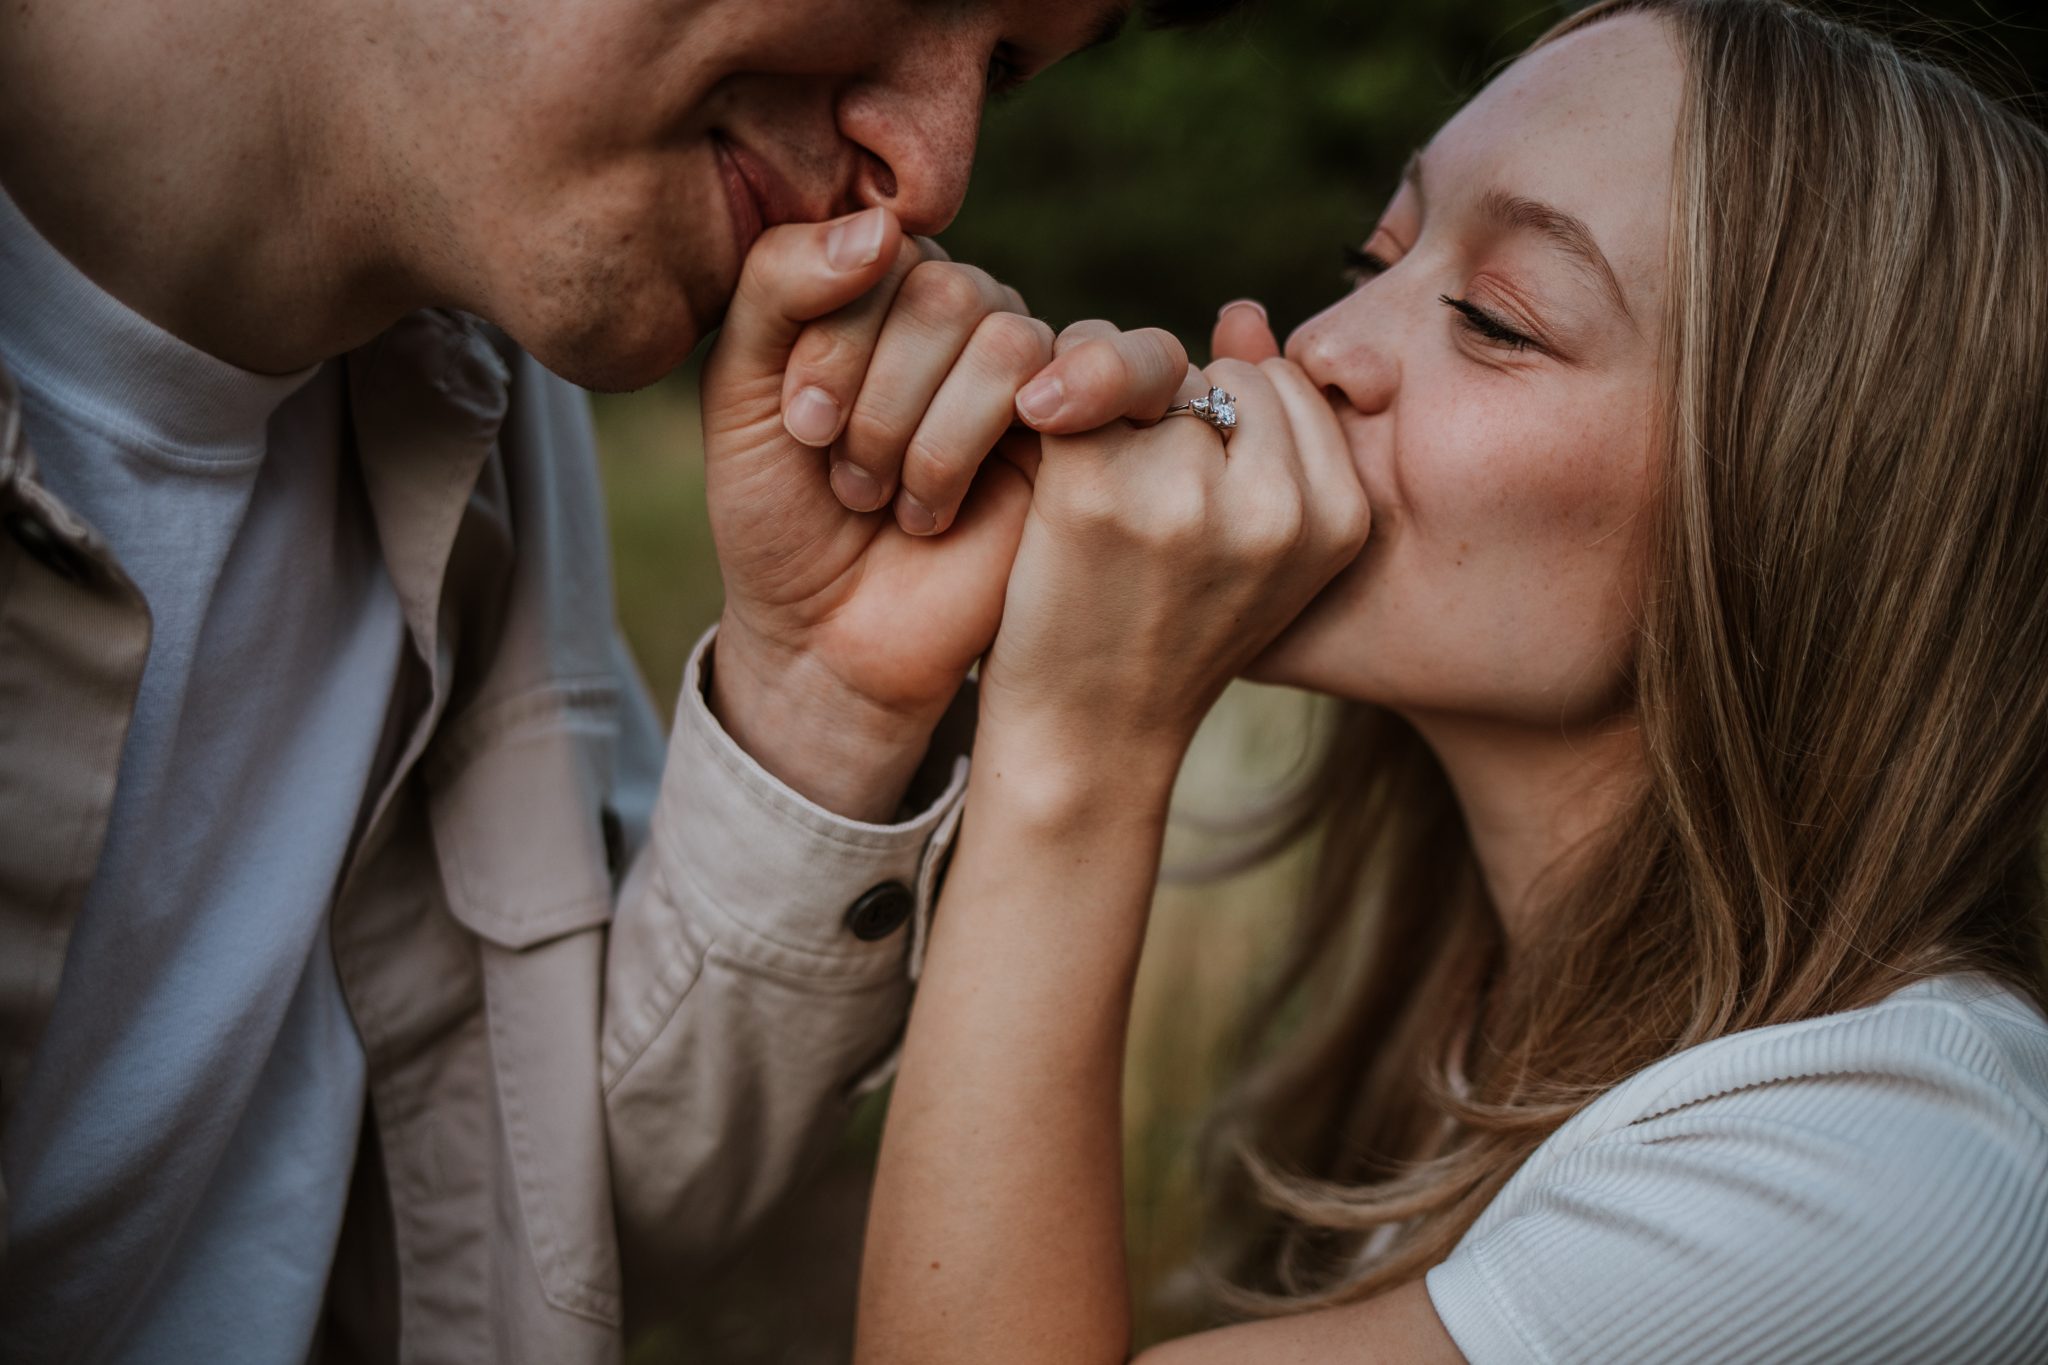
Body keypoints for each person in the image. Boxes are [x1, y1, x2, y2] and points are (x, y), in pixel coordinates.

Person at [0, 0, 1235, 1360]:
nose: (935, 169)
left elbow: (522, 1212)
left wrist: (825, 703)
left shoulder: (475, 384)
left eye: (1002, 69)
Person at [850, 1, 2048, 1360]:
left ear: (1804, 518)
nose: (1321, 345)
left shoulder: (1889, 1176)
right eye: (1379, 253)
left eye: (1495, 318)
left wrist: (1078, 741)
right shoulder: (1496, 1036)